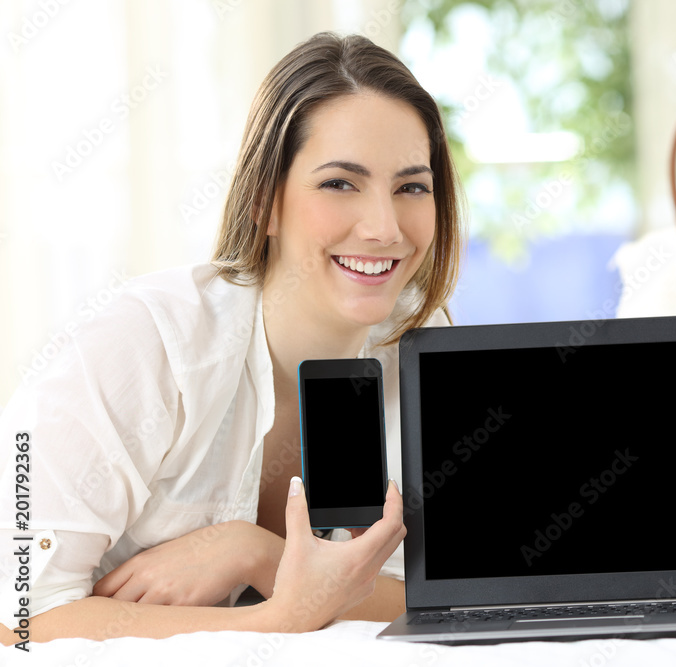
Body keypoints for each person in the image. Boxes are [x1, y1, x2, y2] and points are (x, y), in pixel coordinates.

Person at [0, 31, 463, 642]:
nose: (384, 227)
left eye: (411, 187)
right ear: (264, 204)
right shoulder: (146, 345)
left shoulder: (418, 342)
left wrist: (253, 553)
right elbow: (19, 623)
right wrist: (276, 617)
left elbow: (453, 598)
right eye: (339, 183)